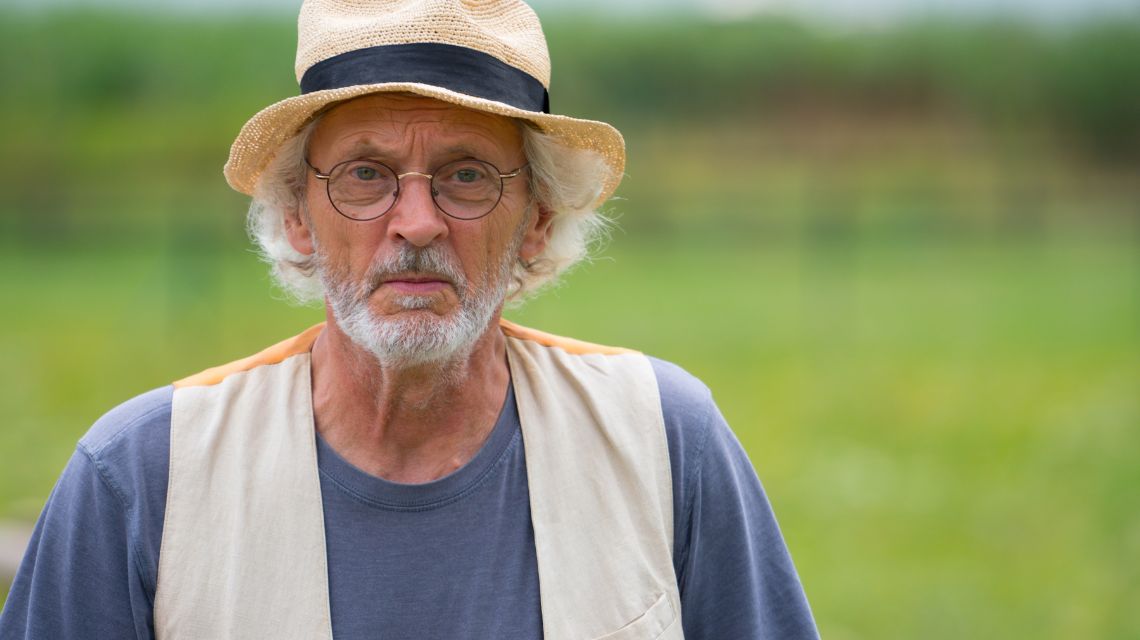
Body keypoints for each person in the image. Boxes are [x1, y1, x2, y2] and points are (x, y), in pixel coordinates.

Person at [0, 0, 818, 638]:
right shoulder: (141, 477)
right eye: (365, 174)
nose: (418, 222)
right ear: (296, 215)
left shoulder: (662, 439)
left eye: (467, 176)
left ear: (535, 219)